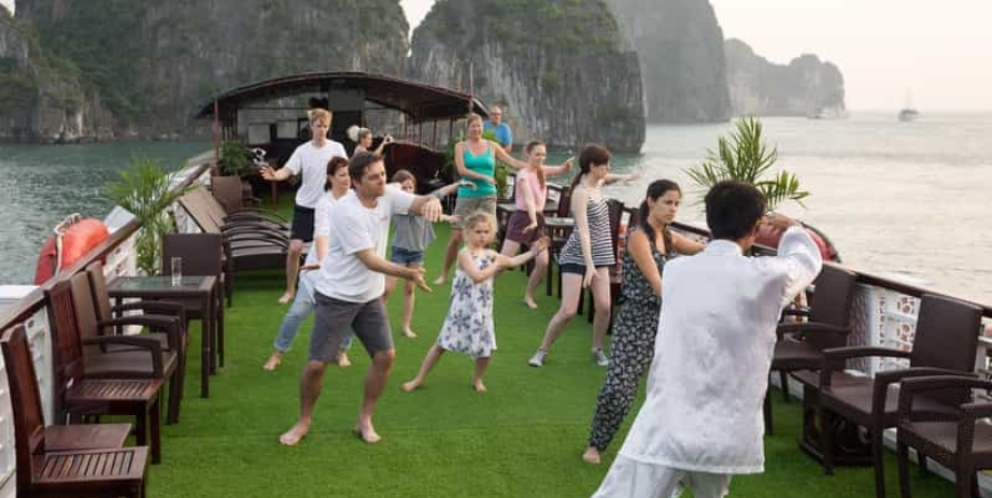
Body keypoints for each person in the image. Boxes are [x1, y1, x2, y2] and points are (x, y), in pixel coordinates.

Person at [590, 181, 822, 498]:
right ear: (755, 229)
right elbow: (807, 261)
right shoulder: (767, 277)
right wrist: (792, 228)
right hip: (725, 427)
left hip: (668, 418)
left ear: (710, 222)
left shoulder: (676, 273)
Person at [278, 151, 444, 447]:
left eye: (383, 173)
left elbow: (418, 202)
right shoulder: (345, 211)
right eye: (374, 177)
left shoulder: (388, 194)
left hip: (369, 298)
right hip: (336, 296)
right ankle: (303, 421)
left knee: (386, 356)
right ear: (355, 182)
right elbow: (369, 259)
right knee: (317, 365)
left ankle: (364, 419)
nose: (382, 180)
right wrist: (407, 273)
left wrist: (431, 203)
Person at [581, 180, 705, 465]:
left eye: (677, 203)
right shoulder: (639, 235)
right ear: (651, 201)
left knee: (672, 386)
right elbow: (658, 284)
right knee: (619, 386)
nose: (673, 208)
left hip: (668, 320)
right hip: (638, 319)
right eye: (667, 202)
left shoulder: (669, 236)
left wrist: (726, 248)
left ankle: (669, 446)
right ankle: (595, 445)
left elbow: (699, 248)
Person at [401, 211, 549, 393]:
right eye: (478, 231)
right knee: (441, 345)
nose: (482, 236)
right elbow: (477, 277)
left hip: (482, 310)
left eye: (486, 232)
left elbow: (511, 261)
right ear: (467, 232)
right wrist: (496, 266)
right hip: (461, 310)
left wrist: (533, 252)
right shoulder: (465, 254)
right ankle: (419, 378)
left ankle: (477, 378)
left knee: (486, 349)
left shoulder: (490, 253)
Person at [434, 113, 570, 285]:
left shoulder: (492, 146)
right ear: (467, 128)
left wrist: (555, 168)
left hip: (488, 196)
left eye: (479, 126)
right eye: (473, 126)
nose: (477, 129)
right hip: (467, 194)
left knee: (487, 237)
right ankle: (444, 273)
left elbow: (513, 163)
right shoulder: (461, 146)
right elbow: (461, 170)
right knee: (456, 238)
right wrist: (483, 177)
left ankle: (482, 276)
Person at [528, 144, 619, 368]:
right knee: (568, 310)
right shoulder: (580, 193)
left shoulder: (599, 183)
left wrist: (631, 176)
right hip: (577, 255)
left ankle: (597, 348)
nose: (608, 168)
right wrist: (589, 265)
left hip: (601, 255)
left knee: (605, 307)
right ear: (592, 166)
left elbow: (611, 177)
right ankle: (542, 350)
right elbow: (584, 231)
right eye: (605, 164)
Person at [263, 157, 355, 371]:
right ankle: (278, 352)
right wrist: (323, 262)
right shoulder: (324, 203)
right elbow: (321, 234)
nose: (347, 179)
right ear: (330, 178)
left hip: (344, 272)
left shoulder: (356, 199)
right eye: (342, 175)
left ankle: (341, 350)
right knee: (297, 313)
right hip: (317, 271)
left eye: (349, 174)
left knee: (353, 314)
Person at [261, 108, 348, 304]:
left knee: (334, 249)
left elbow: (347, 172)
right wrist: (276, 176)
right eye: (318, 126)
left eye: (325, 126)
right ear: (311, 127)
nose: (322, 130)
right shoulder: (302, 150)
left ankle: (333, 288)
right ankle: (291, 290)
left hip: (329, 209)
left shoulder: (337, 148)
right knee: (295, 248)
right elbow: (287, 170)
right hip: (305, 207)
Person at [382, 170, 466, 338]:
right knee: (386, 290)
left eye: (410, 187)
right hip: (399, 251)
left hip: (417, 253)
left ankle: (406, 326)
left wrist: (458, 185)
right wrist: (446, 217)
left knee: (409, 289)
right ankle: (375, 323)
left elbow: (439, 193)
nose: (408, 191)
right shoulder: (397, 205)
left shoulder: (421, 202)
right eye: (404, 188)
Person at [498, 140, 572, 309]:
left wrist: (565, 167)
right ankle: (483, 286)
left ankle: (528, 296)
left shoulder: (541, 171)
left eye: (543, 154)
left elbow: (557, 169)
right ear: (528, 154)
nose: (541, 158)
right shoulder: (523, 175)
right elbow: (529, 200)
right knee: (504, 261)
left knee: (543, 262)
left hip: (538, 220)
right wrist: (531, 220)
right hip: (522, 218)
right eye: (537, 154)